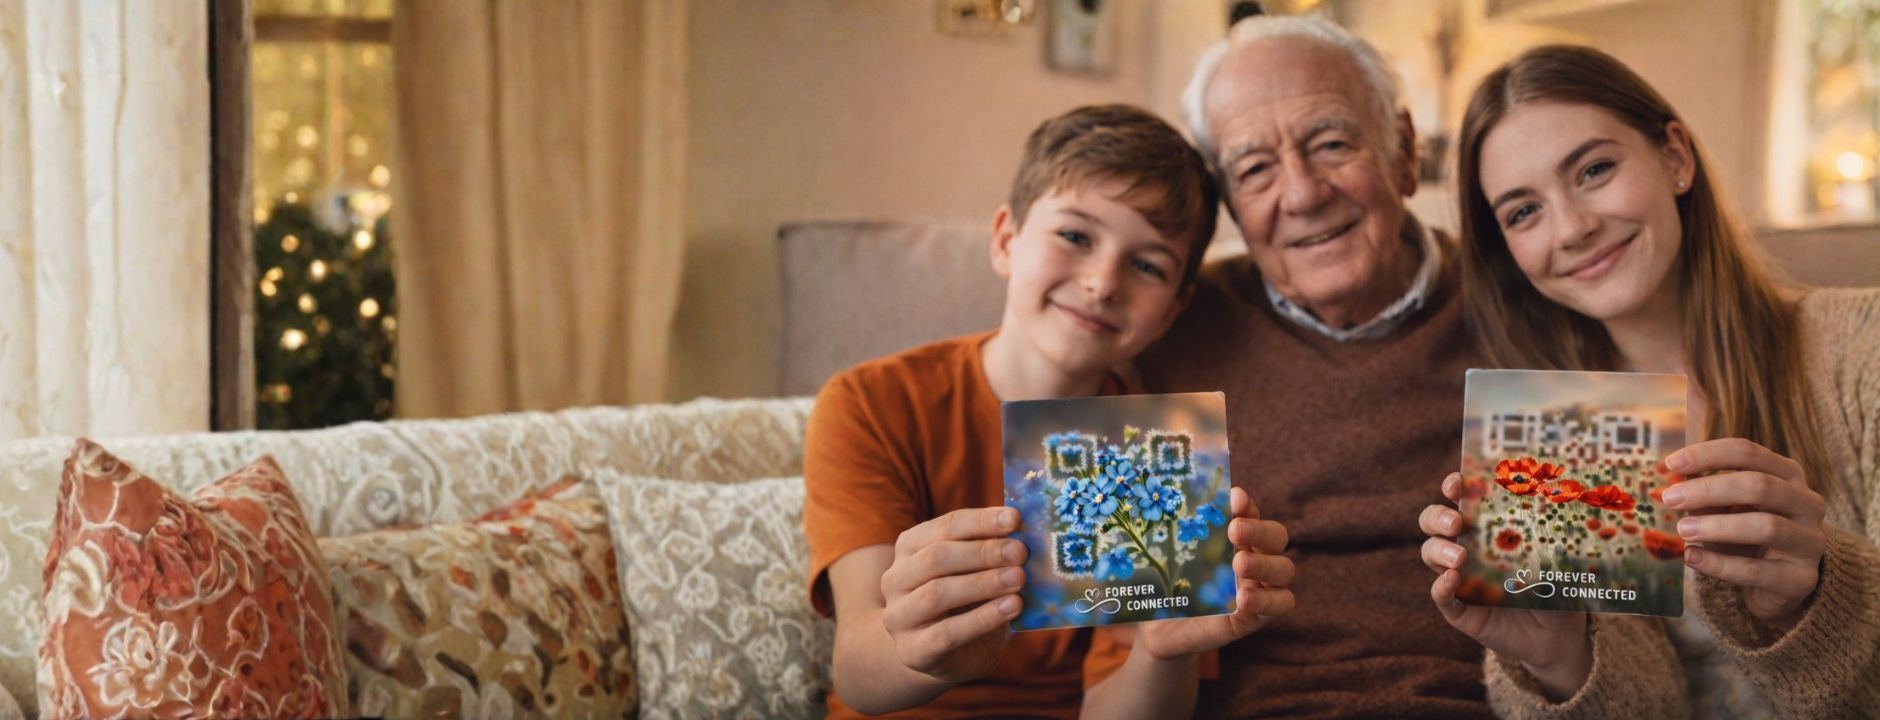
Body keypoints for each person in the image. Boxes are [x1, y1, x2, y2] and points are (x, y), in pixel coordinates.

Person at [1419, 44, 1880, 718]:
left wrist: (1818, 595)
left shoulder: (1863, 346)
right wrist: (1557, 658)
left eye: (1595, 169)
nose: (1572, 229)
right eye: (1523, 212)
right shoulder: (1546, 441)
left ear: (1676, 158)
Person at [802, 104, 1296, 719]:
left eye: (1147, 265)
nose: (1101, 282)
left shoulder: (1153, 448)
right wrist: (920, 646)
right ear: (1006, 240)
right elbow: (857, 672)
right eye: (1075, 236)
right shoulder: (871, 404)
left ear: (1173, 309)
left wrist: (1161, 651)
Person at [1137, 14, 1495, 717]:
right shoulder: (1169, 329)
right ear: (1230, 205)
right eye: (1255, 169)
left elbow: (1597, 612)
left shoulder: (1527, 311)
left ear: (1402, 149)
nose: (1301, 194)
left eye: (1330, 143)